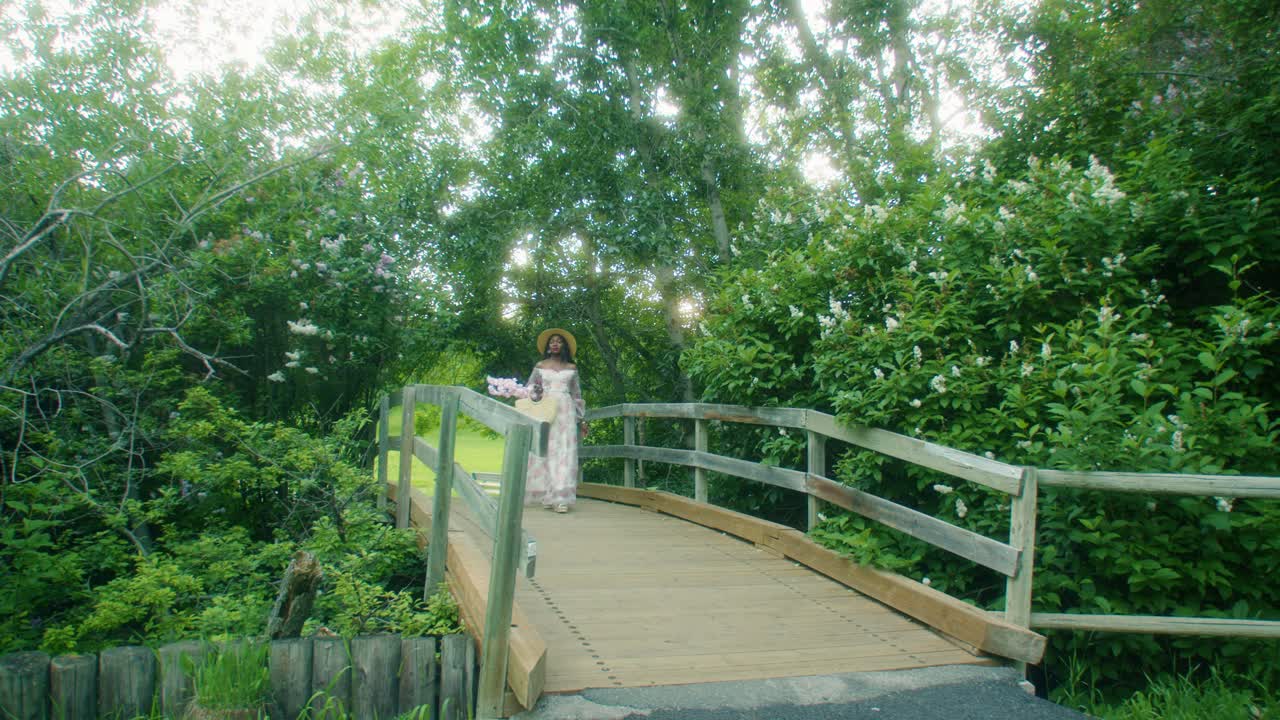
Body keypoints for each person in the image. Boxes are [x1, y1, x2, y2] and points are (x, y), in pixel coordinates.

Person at [524, 328, 588, 513]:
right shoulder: (540, 366)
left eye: (559, 341)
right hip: (546, 409)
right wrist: (535, 401)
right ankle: (548, 493)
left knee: (565, 452)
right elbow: (530, 389)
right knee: (547, 450)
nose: (555, 343)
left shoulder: (571, 368)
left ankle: (561, 498)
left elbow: (577, 394)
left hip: (566, 412)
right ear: (547, 346)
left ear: (564, 346)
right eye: (552, 341)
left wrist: (581, 419)